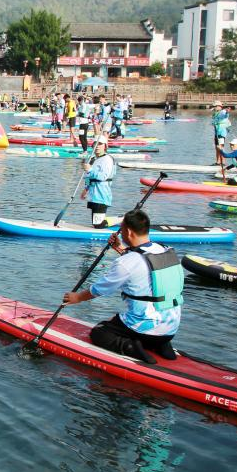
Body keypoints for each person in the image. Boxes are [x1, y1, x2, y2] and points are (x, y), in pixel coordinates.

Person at [62, 209, 182, 365]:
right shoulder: (166, 250)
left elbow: (101, 289)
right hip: (171, 330)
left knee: (99, 331)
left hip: (144, 328)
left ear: (129, 232)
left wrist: (77, 297)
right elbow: (141, 266)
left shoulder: (127, 262)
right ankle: (162, 346)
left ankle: (131, 347)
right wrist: (120, 249)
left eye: (122, 230)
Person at [81, 140, 117, 228]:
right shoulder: (93, 159)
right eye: (95, 144)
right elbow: (89, 176)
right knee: (95, 223)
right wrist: (86, 189)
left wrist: (90, 170)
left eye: (100, 144)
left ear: (105, 146)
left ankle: (123, 219)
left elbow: (103, 176)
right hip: (93, 195)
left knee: (98, 224)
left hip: (102, 194)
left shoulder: (107, 159)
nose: (97, 146)